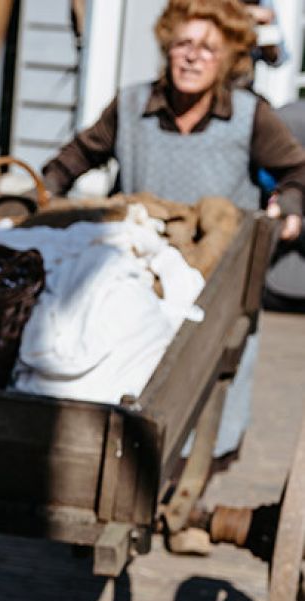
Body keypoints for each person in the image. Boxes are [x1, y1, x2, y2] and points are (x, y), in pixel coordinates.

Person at [41, 0, 305, 458]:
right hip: (139, 276)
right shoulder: (131, 105)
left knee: (202, 384)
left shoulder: (249, 115)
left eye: (207, 48)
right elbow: (73, 159)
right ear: (167, 47)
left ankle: (190, 483)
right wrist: (39, 196)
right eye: (183, 43)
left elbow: (295, 170)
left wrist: (292, 205)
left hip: (214, 281)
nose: (192, 56)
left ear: (229, 59)